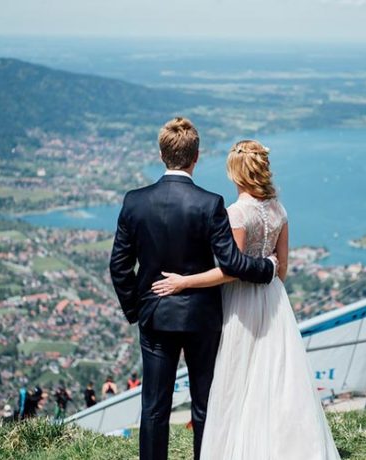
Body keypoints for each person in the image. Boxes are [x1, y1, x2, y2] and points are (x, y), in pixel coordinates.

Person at [152, 140, 340, 459]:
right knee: (274, 376)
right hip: (272, 298)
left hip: (240, 301)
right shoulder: (279, 210)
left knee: (237, 375)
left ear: (237, 174)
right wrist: (267, 288)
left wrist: (185, 282)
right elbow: (281, 269)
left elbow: (231, 270)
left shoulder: (237, 213)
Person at [110, 118, 276, 460]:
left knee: (155, 406)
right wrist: (268, 268)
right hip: (202, 317)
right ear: (196, 156)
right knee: (204, 404)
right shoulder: (209, 203)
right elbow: (232, 263)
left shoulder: (134, 201)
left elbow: (119, 265)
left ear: (161, 154)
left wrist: (135, 309)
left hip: (154, 316)